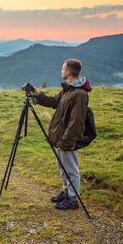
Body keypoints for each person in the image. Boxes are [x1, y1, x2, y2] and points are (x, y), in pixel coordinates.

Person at [30, 59, 92, 210]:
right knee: (63, 167)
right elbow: (53, 102)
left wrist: (65, 142)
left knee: (71, 169)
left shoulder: (79, 94)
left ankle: (73, 198)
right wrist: (38, 94)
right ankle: (66, 192)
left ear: (68, 72)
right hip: (61, 138)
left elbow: (76, 123)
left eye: (63, 68)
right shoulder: (68, 89)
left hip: (68, 140)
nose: (61, 70)